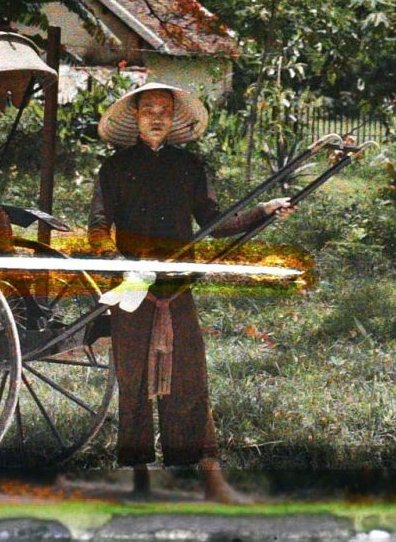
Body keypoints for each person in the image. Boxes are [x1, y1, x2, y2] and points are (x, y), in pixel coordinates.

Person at [89, 82, 290, 504]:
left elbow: (215, 221)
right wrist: (122, 263)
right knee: (133, 379)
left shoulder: (189, 167)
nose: (156, 117)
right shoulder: (114, 168)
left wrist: (262, 211)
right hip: (132, 288)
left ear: (174, 118)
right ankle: (139, 478)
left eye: (164, 110)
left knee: (191, 378)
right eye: (148, 109)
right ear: (136, 118)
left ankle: (210, 478)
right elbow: (97, 227)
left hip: (178, 289)